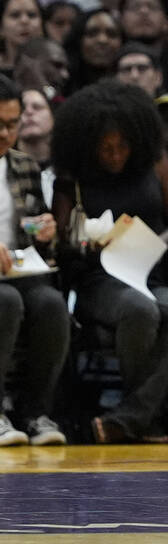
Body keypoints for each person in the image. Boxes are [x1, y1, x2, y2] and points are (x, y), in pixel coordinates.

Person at [51, 81, 168, 444]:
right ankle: (142, 418)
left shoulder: (153, 161)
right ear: (88, 146)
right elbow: (62, 241)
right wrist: (88, 242)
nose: (115, 155)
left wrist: (154, 239)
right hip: (98, 281)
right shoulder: (71, 178)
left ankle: (130, 416)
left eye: (122, 146)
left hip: (149, 273)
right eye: (106, 149)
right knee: (141, 310)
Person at [0, 76, 68, 447]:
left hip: (19, 269)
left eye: (12, 124)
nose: (6, 132)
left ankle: (36, 413)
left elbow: (36, 226)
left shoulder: (24, 166)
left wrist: (45, 229)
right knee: (6, 302)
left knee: (50, 303)